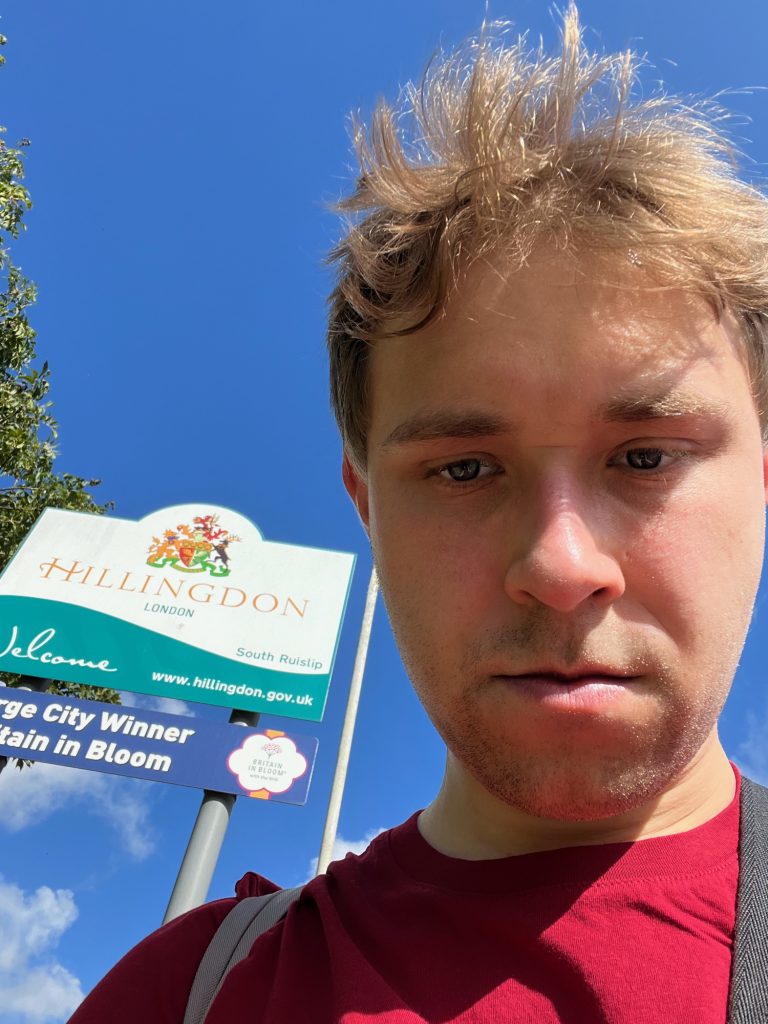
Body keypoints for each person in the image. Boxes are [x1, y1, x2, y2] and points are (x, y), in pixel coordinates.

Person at [69, 5, 768, 1021]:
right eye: (465, 469)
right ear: (367, 505)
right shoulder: (182, 994)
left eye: (646, 455)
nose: (562, 563)